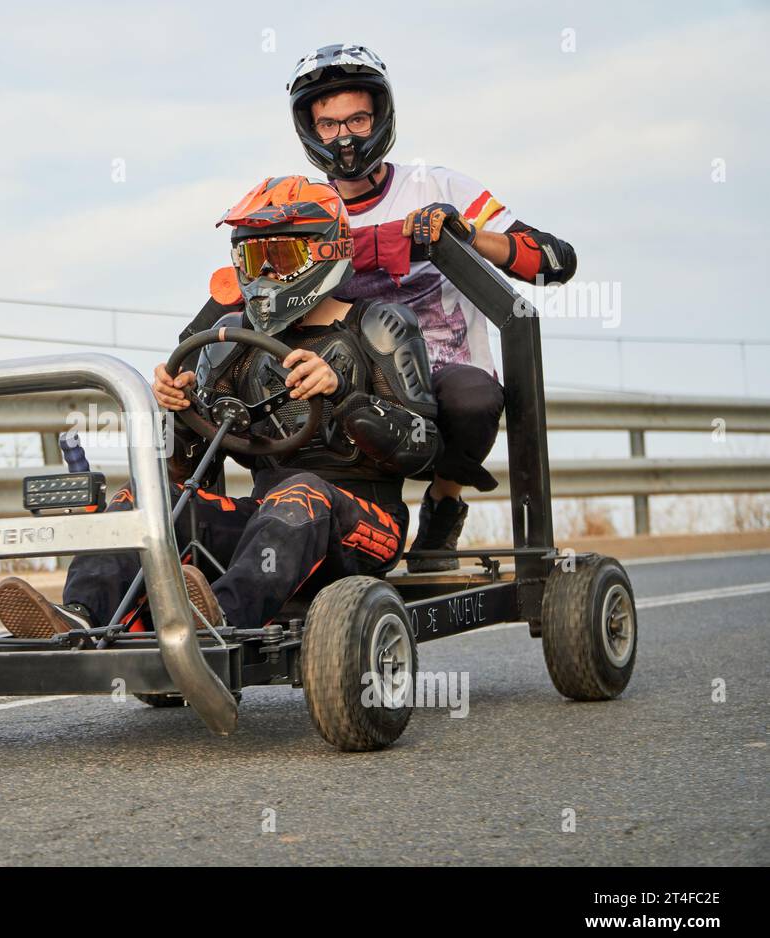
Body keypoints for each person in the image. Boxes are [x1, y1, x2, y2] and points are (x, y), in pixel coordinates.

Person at [185, 44, 578, 570]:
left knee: (474, 395)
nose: (344, 137)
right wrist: (182, 368)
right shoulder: (305, 206)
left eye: (357, 119)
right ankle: (212, 539)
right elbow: (249, 285)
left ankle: (444, 501)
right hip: (344, 373)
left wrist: (467, 234)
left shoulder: (439, 185)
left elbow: (553, 261)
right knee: (194, 390)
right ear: (310, 130)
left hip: (439, 376)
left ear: (381, 117)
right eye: (329, 125)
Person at [0, 176, 439, 640]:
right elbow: (191, 469)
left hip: (368, 526)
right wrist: (180, 411)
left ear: (326, 252)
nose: (265, 272)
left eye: (281, 257)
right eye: (253, 258)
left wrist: (345, 398)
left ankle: (218, 620)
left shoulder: (380, 326)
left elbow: (425, 450)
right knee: (144, 498)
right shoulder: (230, 342)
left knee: (302, 491)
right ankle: (83, 616)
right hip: (267, 520)